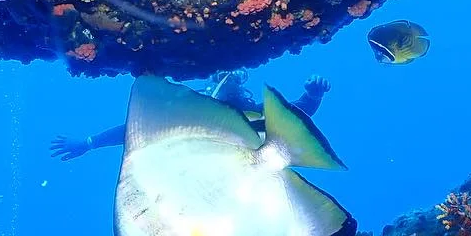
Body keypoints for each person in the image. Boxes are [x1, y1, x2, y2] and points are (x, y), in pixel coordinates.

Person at [50, 69, 332, 160]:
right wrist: (88, 142)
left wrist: (313, 96)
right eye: (223, 75)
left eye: (234, 77)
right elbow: (137, 130)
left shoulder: (250, 113)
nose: (229, 80)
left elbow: (295, 116)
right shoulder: (191, 111)